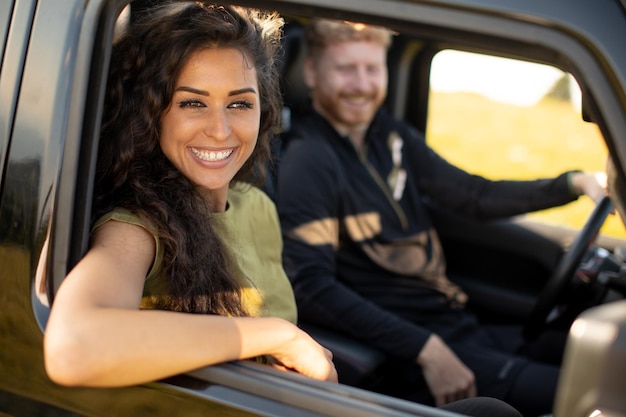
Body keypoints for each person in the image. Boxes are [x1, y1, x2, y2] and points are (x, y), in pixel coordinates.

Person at [275, 17, 608, 416]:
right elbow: (310, 286)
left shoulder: (390, 136)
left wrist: (572, 183)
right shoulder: (309, 159)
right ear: (311, 71)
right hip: (411, 349)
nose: (362, 84)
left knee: (599, 351)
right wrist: (426, 350)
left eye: (372, 68)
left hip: (458, 326)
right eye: (346, 69)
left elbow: (473, 195)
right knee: (596, 393)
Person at [43, 1, 337, 387]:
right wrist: (276, 335)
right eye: (192, 103)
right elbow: (73, 347)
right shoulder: (138, 228)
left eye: (239, 103)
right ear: (152, 114)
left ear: (262, 111)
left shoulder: (258, 207)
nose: (220, 129)